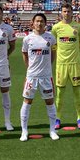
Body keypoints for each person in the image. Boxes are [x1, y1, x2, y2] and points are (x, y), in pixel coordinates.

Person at [19, 13, 58, 141]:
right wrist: (29, 68)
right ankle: (24, 131)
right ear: (33, 22)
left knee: (50, 102)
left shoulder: (51, 38)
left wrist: (47, 67)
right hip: (31, 76)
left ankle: (52, 130)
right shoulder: (27, 39)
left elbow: (53, 54)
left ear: (45, 23)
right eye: (37, 21)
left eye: (41, 21)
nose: (39, 23)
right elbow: (24, 54)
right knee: (27, 102)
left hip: (46, 77)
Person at [51, 3, 80, 130]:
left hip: (75, 64)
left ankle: (79, 118)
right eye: (64, 11)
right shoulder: (56, 28)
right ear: (61, 13)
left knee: (77, 92)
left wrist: (74, 55)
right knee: (60, 93)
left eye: (69, 11)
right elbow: (53, 45)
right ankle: (57, 118)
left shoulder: (78, 27)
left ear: (72, 12)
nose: (66, 13)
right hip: (61, 64)